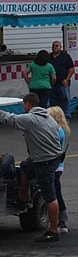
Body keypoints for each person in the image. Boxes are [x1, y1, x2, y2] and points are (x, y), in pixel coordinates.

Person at [0, 93, 65, 242]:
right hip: (51, 159)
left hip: (45, 162)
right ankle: (23, 197)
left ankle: (53, 230)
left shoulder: (30, 119)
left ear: (27, 104)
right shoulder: (49, 118)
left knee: (50, 196)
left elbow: (9, 119)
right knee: (24, 167)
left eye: (24, 105)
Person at [46, 105, 70, 234]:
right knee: (57, 192)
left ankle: (60, 221)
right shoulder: (62, 130)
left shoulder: (57, 131)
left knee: (54, 193)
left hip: (54, 166)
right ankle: (61, 220)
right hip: (58, 166)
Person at [48, 40, 74, 116]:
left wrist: (67, 79)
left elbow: (71, 69)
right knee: (53, 102)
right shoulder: (49, 57)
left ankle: (66, 117)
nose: (55, 47)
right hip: (52, 84)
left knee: (65, 101)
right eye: (53, 46)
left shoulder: (66, 56)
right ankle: (55, 118)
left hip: (63, 83)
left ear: (60, 47)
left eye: (57, 46)